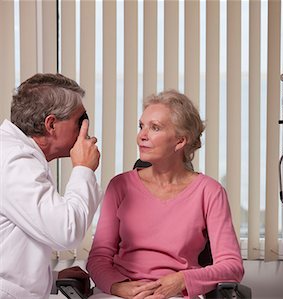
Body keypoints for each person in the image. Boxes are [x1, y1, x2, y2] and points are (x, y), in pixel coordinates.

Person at [87, 90, 244, 299]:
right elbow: (99, 258)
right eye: (141, 126)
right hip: (121, 294)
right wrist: (119, 287)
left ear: (179, 141)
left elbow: (232, 266)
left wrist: (182, 280)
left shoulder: (210, 192)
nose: (142, 136)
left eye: (155, 128)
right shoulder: (120, 186)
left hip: (177, 295)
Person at [0, 73, 103, 299]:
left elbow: (13, 240)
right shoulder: (14, 160)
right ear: (51, 124)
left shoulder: (14, 153)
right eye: (81, 120)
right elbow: (67, 231)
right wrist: (83, 169)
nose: (86, 128)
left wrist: (51, 277)